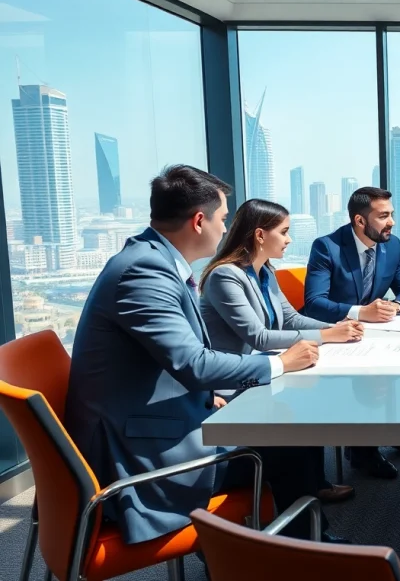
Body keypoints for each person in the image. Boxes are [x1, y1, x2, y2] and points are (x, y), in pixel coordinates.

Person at [64, 165, 343, 544]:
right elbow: (193, 363)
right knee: (285, 441)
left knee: (283, 431)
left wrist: (204, 395)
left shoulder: (152, 261)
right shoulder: (144, 271)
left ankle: (259, 548)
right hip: (137, 455)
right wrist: (280, 363)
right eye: (224, 218)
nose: (227, 229)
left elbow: (168, 360)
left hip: (156, 419)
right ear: (199, 221)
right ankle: (311, 551)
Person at [199, 198, 365, 503]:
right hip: (232, 387)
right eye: (285, 232)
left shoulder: (265, 272)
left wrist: (340, 327)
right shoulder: (225, 276)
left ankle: (315, 483)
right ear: (260, 235)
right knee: (298, 417)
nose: (289, 239)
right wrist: (328, 335)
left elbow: (290, 319)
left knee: (310, 402)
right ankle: (308, 496)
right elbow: (258, 336)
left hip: (264, 373)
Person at [303, 186, 400, 479]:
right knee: (368, 376)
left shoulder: (392, 245)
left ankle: (396, 432)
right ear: (360, 221)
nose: (392, 222)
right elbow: (314, 304)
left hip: (375, 333)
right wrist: (361, 312)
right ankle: (362, 452)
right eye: (384, 216)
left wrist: (396, 306)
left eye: (392, 214)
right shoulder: (327, 247)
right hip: (334, 333)